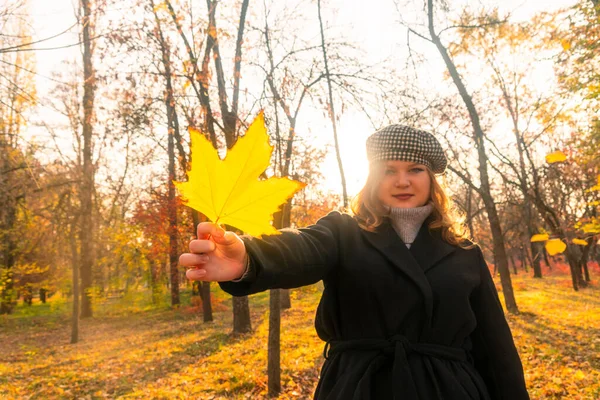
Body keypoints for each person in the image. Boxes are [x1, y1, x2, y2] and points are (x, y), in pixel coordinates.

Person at [179, 125, 530, 400]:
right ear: (373, 177)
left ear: (432, 179)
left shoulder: (464, 252)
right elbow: (301, 248)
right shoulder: (344, 231)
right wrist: (249, 257)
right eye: (389, 169)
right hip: (360, 387)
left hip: (449, 389)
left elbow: (495, 346)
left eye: (415, 169)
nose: (402, 180)